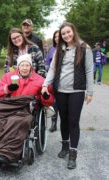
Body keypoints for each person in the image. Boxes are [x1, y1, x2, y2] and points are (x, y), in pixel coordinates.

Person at [0, 54, 54, 165]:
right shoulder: (8, 76)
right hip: (7, 105)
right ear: (18, 67)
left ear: (31, 67)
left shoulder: (40, 80)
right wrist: (8, 88)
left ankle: (6, 153)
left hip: (24, 109)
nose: (24, 68)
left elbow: (49, 101)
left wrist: (46, 96)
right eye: (22, 65)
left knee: (17, 121)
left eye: (27, 65)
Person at [41, 22, 94, 169]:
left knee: (73, 121)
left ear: (73, 31)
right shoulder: (60, 49)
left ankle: (73, 153)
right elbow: (52, 69)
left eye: (68, 32)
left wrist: (90, 92)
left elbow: (89, 71)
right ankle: (64, 145)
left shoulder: (84, 48)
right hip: (60, 91)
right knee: (63, 120)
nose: (66, 35)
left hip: (76, 91)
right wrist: (45, 84)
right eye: (63, 33)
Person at [45, 30, 59, 132]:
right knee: (54, 102)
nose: (57, 38)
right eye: (55, 37)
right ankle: (54, 123)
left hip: (65, 81)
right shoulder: (51, 50)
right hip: (53, 80)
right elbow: (47, 65)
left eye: (59, 36)